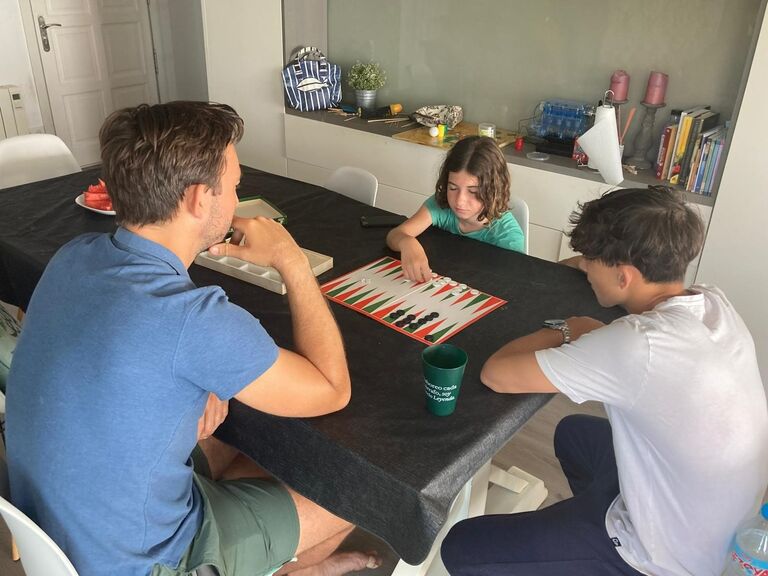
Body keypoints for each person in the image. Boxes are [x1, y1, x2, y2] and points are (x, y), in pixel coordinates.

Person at [5, 101, 380, 576]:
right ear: (199, 199)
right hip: (145, 562)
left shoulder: (73, 256)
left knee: (231, 446)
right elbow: (332, 389)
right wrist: (292, 261)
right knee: (359, 491)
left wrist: (193, 381)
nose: (238, 196)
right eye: (236, 185)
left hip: (62, 533)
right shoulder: (191, 319)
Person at [440, 186, 768, 575]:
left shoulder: (636, 346)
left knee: (460, 547)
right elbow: (634, 352)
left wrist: (569, 329)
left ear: (625, 276)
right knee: (573, 434)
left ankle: (601, 555)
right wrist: (596, 334)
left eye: (591, 261)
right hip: (721, 525)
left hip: (666, 557)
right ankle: (577, 540)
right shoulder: (713, 302)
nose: (585, 266)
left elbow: (495, 374)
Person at [386, 135, 524, 282]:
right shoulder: (442, 204)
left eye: (473, 192)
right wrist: (406, 242)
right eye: (453, 188)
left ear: (493, 190)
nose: (459, 201)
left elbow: (512, 284)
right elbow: (395, 234)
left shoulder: (508, 236)